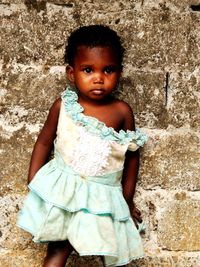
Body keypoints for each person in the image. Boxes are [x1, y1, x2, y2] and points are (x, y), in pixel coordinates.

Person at [17, 25, 147, 267]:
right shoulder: (63, 106)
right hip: (65, 192)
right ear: (71, 72)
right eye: (88, 70)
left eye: (108, 70)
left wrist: (126, 199)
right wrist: (34, 178)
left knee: (110, 253)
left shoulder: (122, 112)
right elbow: (44, 141)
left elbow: (132, 158)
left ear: (120, 71)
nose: (98, 78)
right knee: (57, 251)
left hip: (103, 197)